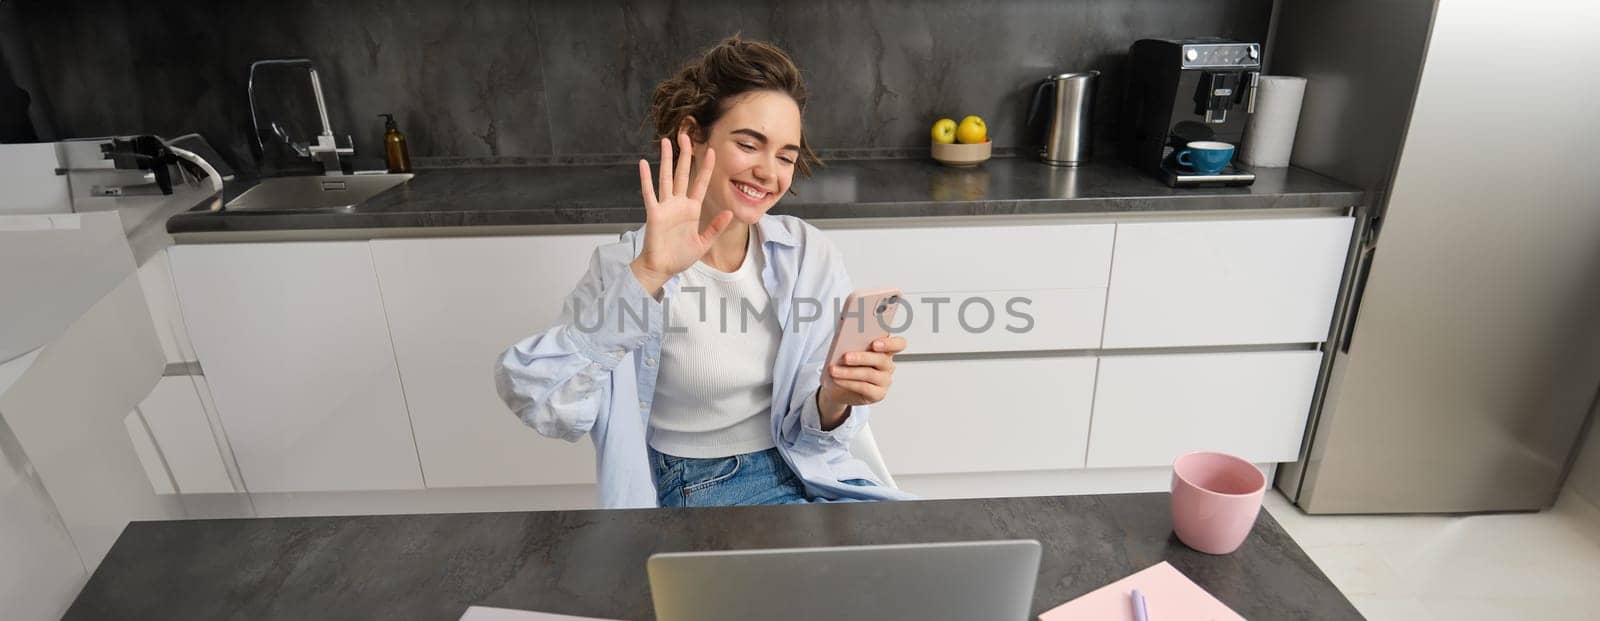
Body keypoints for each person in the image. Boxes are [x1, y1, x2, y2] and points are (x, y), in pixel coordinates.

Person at [496, 35, 915, 509]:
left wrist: (835, 398)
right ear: (694, 135)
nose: (768, 172)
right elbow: (539, 400)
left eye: (785, 156)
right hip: (700, 489)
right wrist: (649, 274)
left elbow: (817, 436)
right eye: (748, 144)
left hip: (811, 473)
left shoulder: (804, 252)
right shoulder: (626, 265)